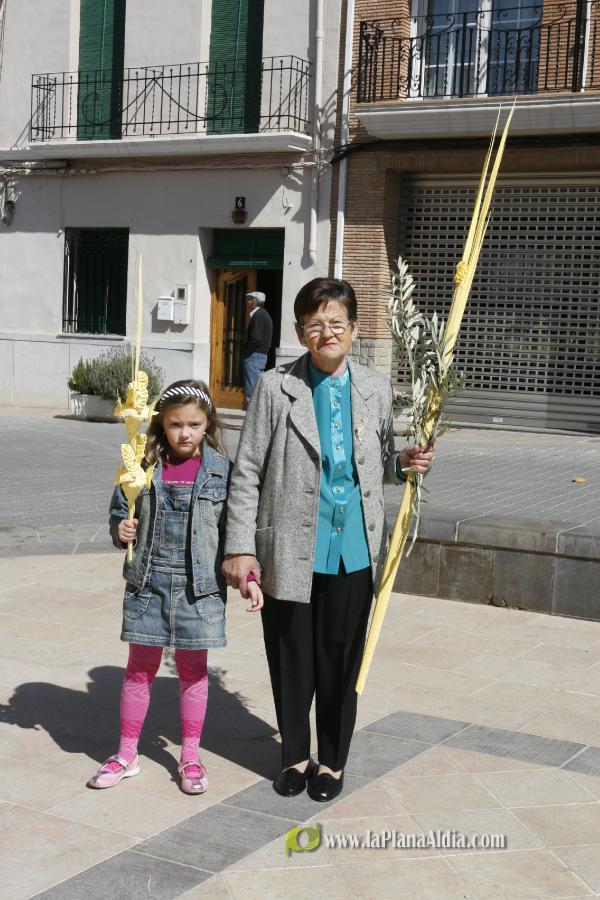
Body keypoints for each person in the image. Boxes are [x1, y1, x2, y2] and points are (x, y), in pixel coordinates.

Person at [222, 278, 433, 803]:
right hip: (289, 548)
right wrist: (240, 548)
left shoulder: (374, 388)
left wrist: (403, 463)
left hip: (353, 549)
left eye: (337, 322)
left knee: (341, 661)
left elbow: (377, 463)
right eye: (315, 324)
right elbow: (246, 471)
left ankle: (332, 761)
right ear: (300, 332)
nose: (327, 333)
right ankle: (295, 756)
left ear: (354, 329)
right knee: (291, 656)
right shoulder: (276, 387)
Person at [87, 379, 263, 794]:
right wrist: (121, 529)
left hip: (199, 590)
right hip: (148, 584)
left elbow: (237, 532)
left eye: (194, 425)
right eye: (175, 425)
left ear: (208, 425)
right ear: (161, 425)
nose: (185, 433)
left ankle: (190, 756)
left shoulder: (222, 472)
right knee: (139, 669)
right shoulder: (141, 467)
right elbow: (120, 509)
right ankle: (126, 753)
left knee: (193, 672)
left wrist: (249, 576)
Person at [243, 290, 273, 405]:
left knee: (252, 390)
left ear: (254, 302)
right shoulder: (263, 314)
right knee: (256, 388)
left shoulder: (259, 315)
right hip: (258, 356)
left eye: (248, 299)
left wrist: (247, 352)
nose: (246, 302)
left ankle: (252, 414)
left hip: (255, 356)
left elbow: (256, 338)